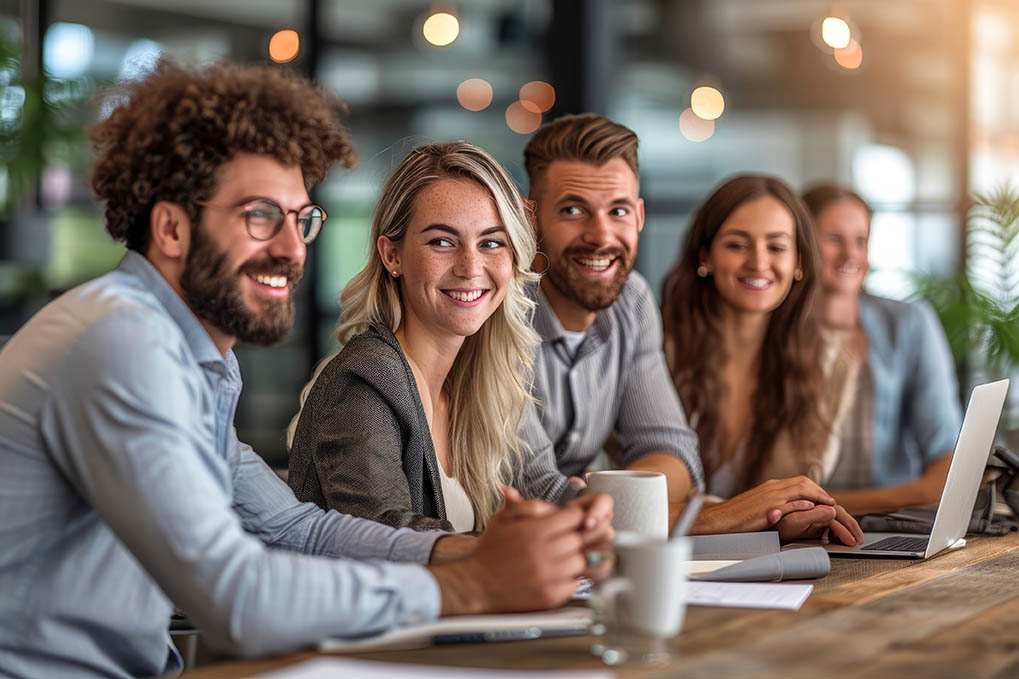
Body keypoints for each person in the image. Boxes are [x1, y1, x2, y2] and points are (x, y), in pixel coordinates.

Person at [0, 61, 610, 679]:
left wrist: (467, 552)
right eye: (259, 216)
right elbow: (234, 595)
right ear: (172, 227)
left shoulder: (202, 363)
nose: (293, 249)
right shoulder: (120, 344)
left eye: (300, 219)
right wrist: (473, 585)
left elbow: (301, 531)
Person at [519, 112, 861, 543]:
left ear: (640, 215)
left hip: (603, 562)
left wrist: (618, 504)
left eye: (618, 210)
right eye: (573, 210)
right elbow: (543, 495)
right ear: (530, 218)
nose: (601, 234)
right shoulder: (499, 312)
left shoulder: (631, 301)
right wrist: (729, 515)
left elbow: (675, 455)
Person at [287, 141, 572, 532]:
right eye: (442, 241)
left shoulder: (483, 377)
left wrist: (597, 510)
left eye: (491, 242)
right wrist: (502, 551)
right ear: (392, 256)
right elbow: (385, 539)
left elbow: (544, 491)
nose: (471, 267)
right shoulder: (363, 384)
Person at [660, 174, 860, 545]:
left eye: (777, 247)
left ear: (800, 261)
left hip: (770, 564)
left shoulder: (832, 365)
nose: (758, 262)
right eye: (737, 244)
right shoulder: (655, 349)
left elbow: (796, 500)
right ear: (705, 256)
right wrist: (744, 515)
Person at [802, 183, 963, 515]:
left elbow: (946, 450)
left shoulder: (909, 323)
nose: (850, 255)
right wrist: (916, 492)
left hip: (895, 523)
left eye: (860, 241)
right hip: (797, 529)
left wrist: (841, 505)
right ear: (801, 244)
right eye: (834, 239)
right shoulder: (774, 333)